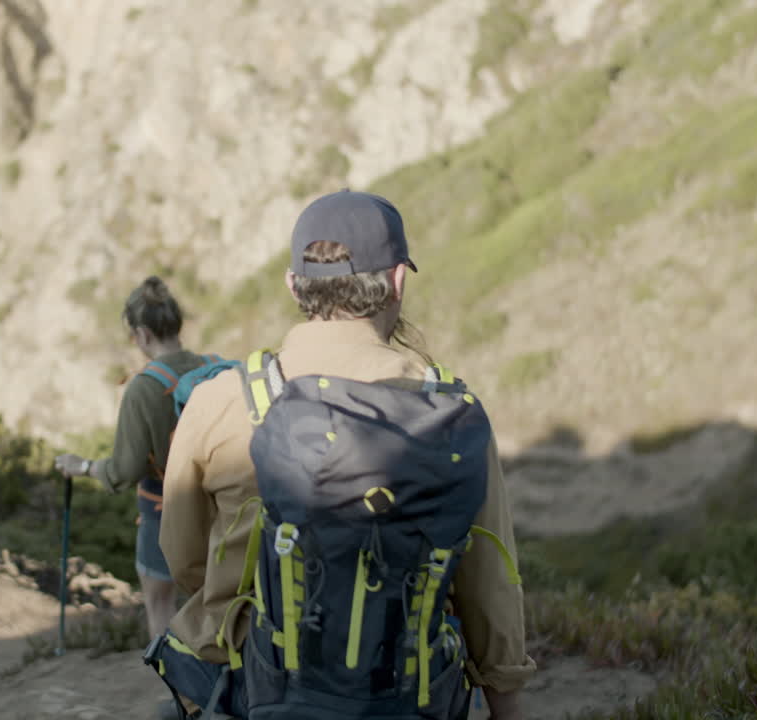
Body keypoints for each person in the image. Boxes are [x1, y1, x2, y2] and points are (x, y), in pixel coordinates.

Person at [146, 190, 536, 720]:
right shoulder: (454, 415)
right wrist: (506, 702)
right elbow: (490, 583)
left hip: (252, 691)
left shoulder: (221, 402)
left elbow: (183, 557)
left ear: (294, 285)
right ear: (397, 280)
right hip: (407, 697)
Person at [55, 276, 227, 642]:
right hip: (223, 506)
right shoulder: (218, 366)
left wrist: (84, 467)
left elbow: (125, 469)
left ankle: (173, 677)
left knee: (160, 603)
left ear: (143, 334)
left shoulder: (144, 388)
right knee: (219, 600)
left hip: (165, 510)